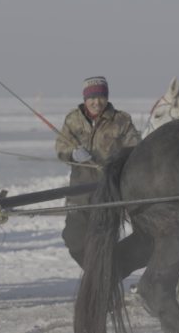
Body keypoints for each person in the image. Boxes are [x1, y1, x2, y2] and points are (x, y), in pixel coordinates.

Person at [55, 76, 141, 267]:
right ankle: (97, 271)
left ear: (107, 97)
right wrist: (72, 154)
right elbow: (60, 148)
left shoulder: (121, 120)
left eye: (101, 97)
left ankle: (105, 274)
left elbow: (136, 150)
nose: (97, 102)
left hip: (108, 192)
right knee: (73, 238)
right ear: (85, 99)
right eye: (92, 97)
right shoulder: (73, 119)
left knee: (103, 240)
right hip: (79, 191)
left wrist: (116, 162)